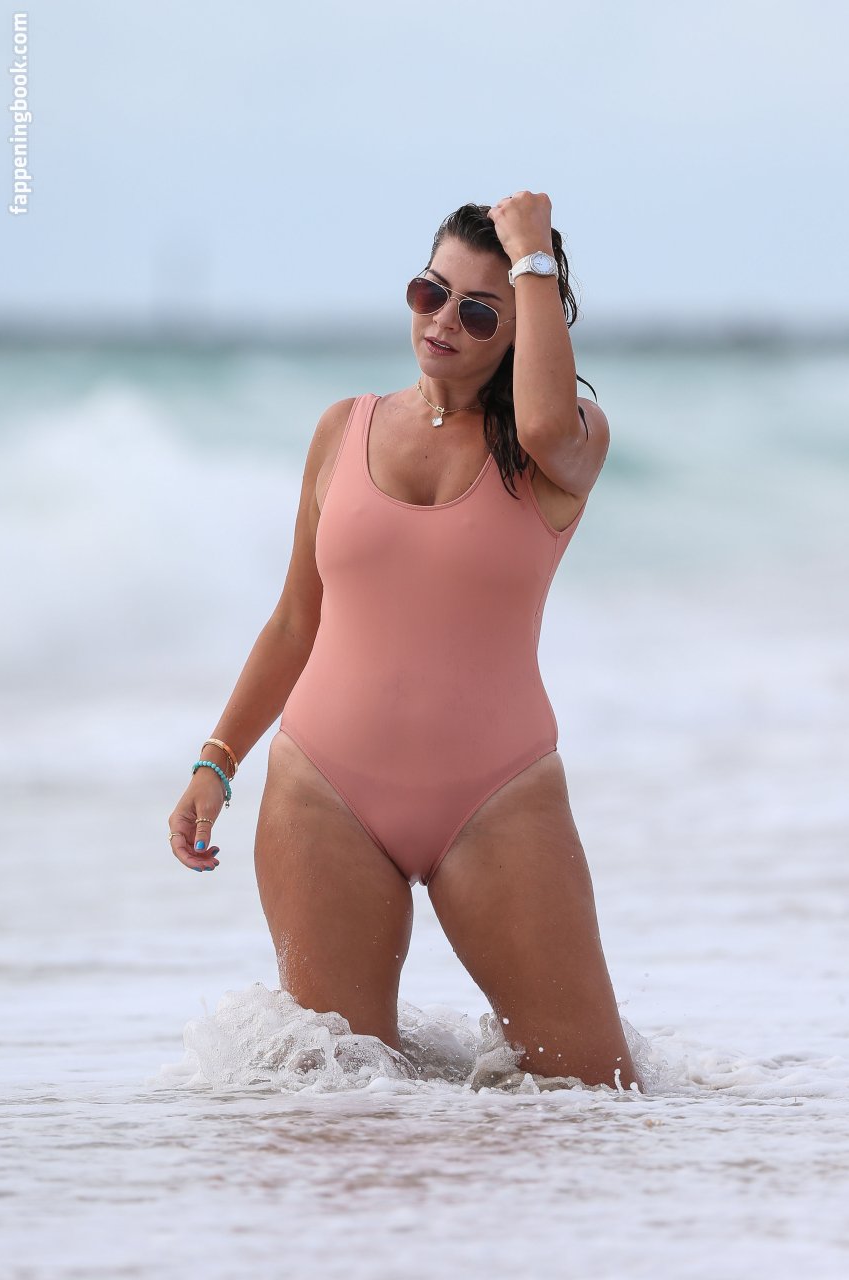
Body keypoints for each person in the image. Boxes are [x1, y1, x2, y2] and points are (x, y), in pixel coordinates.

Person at [167, 191, 639, 1091]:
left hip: (499, 797)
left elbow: (543, 420)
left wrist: (532, 252)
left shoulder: (559, 450)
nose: (443, 322)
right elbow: (295, 621)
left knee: (591, 1096)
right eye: (430, 292)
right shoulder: (341, 429)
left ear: (522, 327)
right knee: (349, 1105)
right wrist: (215, 761)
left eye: (478, 312)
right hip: (322, 793)